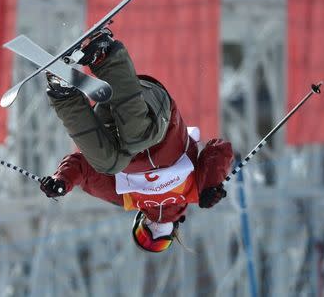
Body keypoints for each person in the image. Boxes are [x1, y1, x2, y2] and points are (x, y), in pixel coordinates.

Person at [39, 28, 234, 253]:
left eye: (143, 236)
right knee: (138, 139)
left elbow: (82, 168)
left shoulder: (126, 199)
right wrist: (212, 183)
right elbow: (220, 150)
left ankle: (63, 94)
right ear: (174, 231)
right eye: (158, 242)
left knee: (108, 163)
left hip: (113, 118)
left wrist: (62, 181)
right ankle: (106, 55)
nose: (151, 234)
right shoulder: (195, 191)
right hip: (154, 110)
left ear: (139, 223)